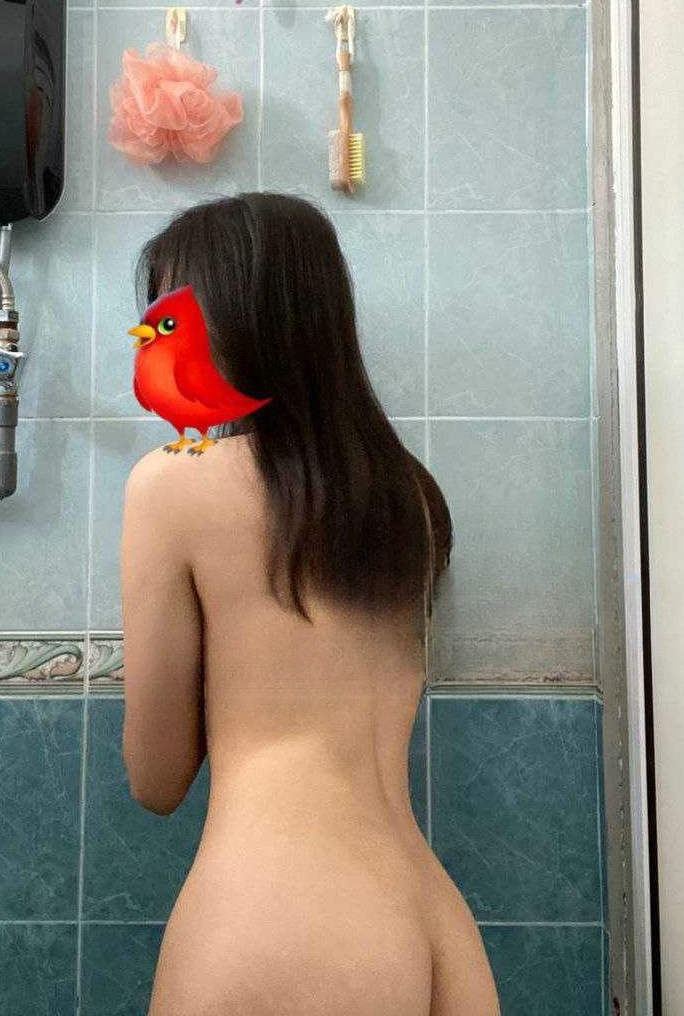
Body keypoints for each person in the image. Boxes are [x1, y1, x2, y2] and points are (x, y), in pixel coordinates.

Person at [120, 192, 501, 1016]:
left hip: (279, 909)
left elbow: (156, 778)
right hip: (427, 914)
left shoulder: (174, 484)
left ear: (234, 323)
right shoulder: (407, 497)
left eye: (170, 316)